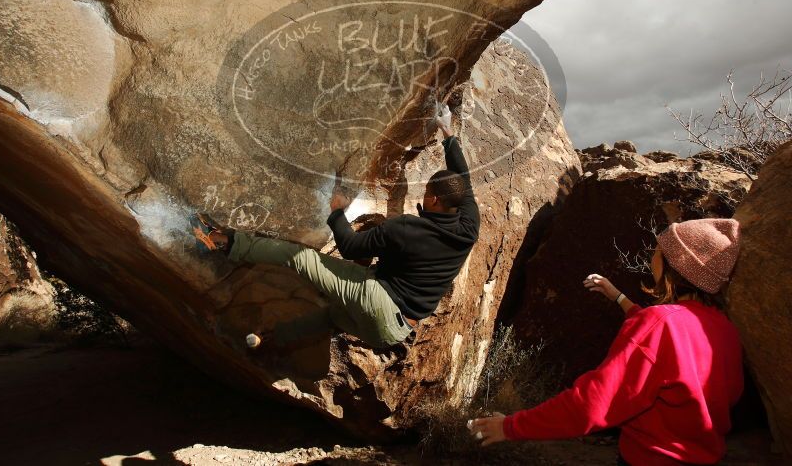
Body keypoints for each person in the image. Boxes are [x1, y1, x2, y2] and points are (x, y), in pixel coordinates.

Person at [191, 104, 479, 350]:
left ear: (433, 198)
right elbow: (461, 178)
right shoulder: (468, 229)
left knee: (303, 259)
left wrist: (337, 213)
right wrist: (448, 133)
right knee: (330, 317)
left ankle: (223, 242)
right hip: (393, 334)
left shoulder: (407, 228)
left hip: (378, 303)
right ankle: (270, 340)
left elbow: (351, 246)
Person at [469, 218, 744, 466]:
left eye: (660, 249)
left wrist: (510, 426)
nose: (653, 255)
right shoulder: (725, 330)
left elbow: (593, 403)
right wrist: (618, 297)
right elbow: (675, 353)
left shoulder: (659, 325)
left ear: (675, 264)